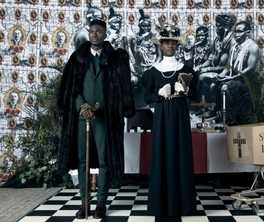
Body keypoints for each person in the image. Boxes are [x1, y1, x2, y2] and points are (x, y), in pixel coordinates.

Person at [57, 19, 135, 219]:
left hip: (104, 117)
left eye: (99, 31)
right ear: (88, 34)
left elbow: (120, 89)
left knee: (104, 160)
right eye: (92, 31)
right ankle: (84, 203)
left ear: (105, 34)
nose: (95, 35)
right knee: (83, 160)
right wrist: (82, 106)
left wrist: (103, 106)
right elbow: (71, 89)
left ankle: (100, 202)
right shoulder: (78, 58)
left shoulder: (116, 58)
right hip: (83, 117)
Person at [142, 24, 197, 219]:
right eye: (166, 43)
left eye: (173, 43)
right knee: (162, 154)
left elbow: (197, 94)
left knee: (180, 153)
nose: (170, 46)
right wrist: (158, 93)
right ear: (160, 45)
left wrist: (186, 91)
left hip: (180, 116)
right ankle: (161, 203)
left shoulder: (186, 69)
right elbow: (142, 96)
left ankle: (183, 204)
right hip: (162, 118)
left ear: (177, 45)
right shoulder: (152, 71)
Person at [218, 20, 262, 124]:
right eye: (235, 32)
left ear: (247, 32)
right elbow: (229, 66)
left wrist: (232, 78)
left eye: (239, 31)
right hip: (234, 79)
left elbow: (250, 69)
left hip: (247, 81)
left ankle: (232, 119)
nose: (236, 34)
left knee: (226, 87)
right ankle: (223, 117)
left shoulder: (252, 47)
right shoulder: (234, 47)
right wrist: (222, 74)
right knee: (215, 84)